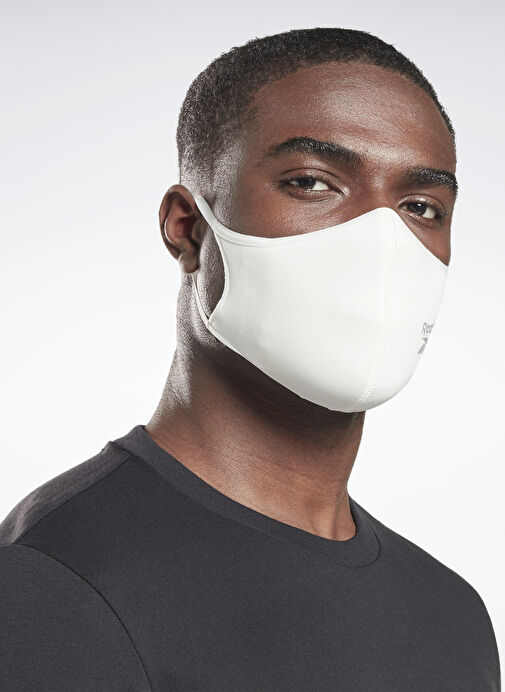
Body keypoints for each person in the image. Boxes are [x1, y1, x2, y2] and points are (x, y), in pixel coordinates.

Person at [0, 27, 500, 692]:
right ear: (188, 228)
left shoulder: (452, 614)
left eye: (420, 207)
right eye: (312, 183)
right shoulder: (58, 582)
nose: (384, 243)